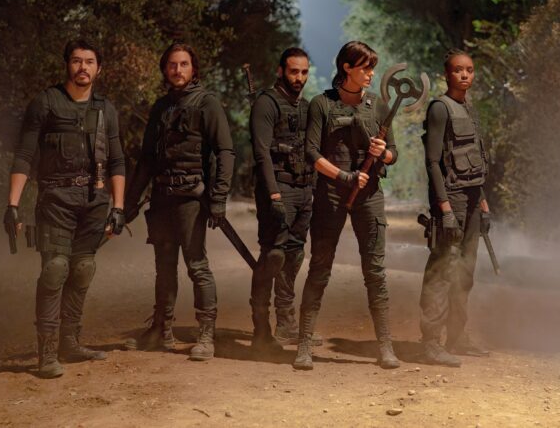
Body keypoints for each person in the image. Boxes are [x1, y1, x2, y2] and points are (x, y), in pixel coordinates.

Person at [4, 39, 126, 378]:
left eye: (89, 61)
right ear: (67, 65)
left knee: (83, 268)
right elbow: (24, 155)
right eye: (76, 61)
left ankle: (70, 343)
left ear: (99, 69)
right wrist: (12, 204)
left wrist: (118, 207)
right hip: (55, 199)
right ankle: (46, 354)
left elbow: (117, 160)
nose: (83, 67)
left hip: (94, 200)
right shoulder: (46, 103)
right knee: (55, 269)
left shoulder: (106, 109)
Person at [293, 41, 400, 370]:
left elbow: (393, 154)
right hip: (332, 194)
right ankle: (303, 345)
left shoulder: (378, 105)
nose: (371, 74)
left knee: (375, 272)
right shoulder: (321, 104)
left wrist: (383, 153)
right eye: (365, 67)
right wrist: (344, 176)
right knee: (319, 268)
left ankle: (385, 346)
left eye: (372, 68)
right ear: (347, 68)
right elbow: (311, 153)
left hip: (370, 195)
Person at [124, 43, 235, 361]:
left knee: (197, 265)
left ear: (193, 68)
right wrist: (129, 203)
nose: (177, 70)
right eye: (172, 65)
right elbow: (147, 159)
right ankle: (162, 329)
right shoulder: (161, 107)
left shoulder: (207, 103)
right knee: (164, 266)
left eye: (184, 64)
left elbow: (225, 152)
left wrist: (219, 198)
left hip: (192, 199)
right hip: (161, 198)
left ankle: (206, 334)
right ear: (165, 69)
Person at [419, 48, 491, 367]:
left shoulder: (468, 109)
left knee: (465, 272)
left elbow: (475, 160)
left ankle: (457, 337)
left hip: (473, 199)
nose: (465, 75)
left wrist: (483, 202)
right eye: (458, 70)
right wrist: (445, 209)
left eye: (470, 70)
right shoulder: (440, 108)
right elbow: (433, 162)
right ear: (447, 74)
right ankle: (431, 343)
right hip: (452, 198)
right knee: (442, 271)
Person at [249, 47, 322, 352]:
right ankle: (260, 328)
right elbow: (261, 153)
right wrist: (273, 193)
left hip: (304, 189)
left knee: (294, 256)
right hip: (278, 188)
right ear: (280, 71)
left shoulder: (305, 106)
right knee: (273, 255)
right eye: (293, 71)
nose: (299, 78)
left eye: (304, 72)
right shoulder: (266, 103)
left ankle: (286, 323)